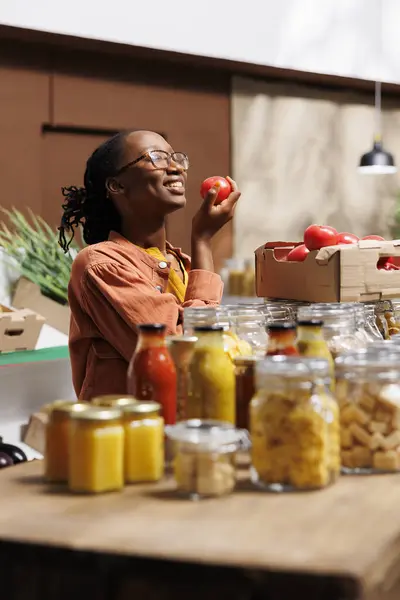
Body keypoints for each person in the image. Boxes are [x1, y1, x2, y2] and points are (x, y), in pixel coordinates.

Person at [59, 130, 240, 401]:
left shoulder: (181, 265)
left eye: (176, 158)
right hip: (125, 433)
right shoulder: (100, 265)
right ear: (117, 186)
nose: (176, 167)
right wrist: (202, 239)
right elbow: (186, 354)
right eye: (156, 157)